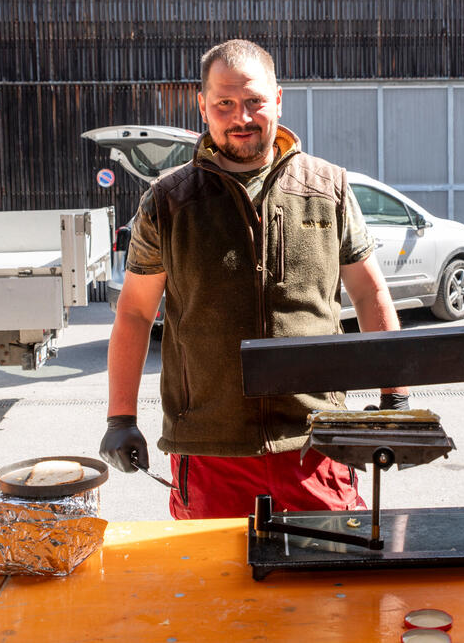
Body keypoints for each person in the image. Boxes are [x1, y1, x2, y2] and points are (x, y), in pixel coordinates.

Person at [99, 38, 409, 519]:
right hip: (209, 452)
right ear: (203, 106)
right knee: (211, 589)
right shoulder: (168, 201)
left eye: (254, 101)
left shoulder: (328, 188)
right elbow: (136, 313)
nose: (240, 117)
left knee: (331, 587)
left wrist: (395, 398)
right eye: (224, 103)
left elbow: (369, 292)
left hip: (316, 446)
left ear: (278, 99)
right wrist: (121, 417)